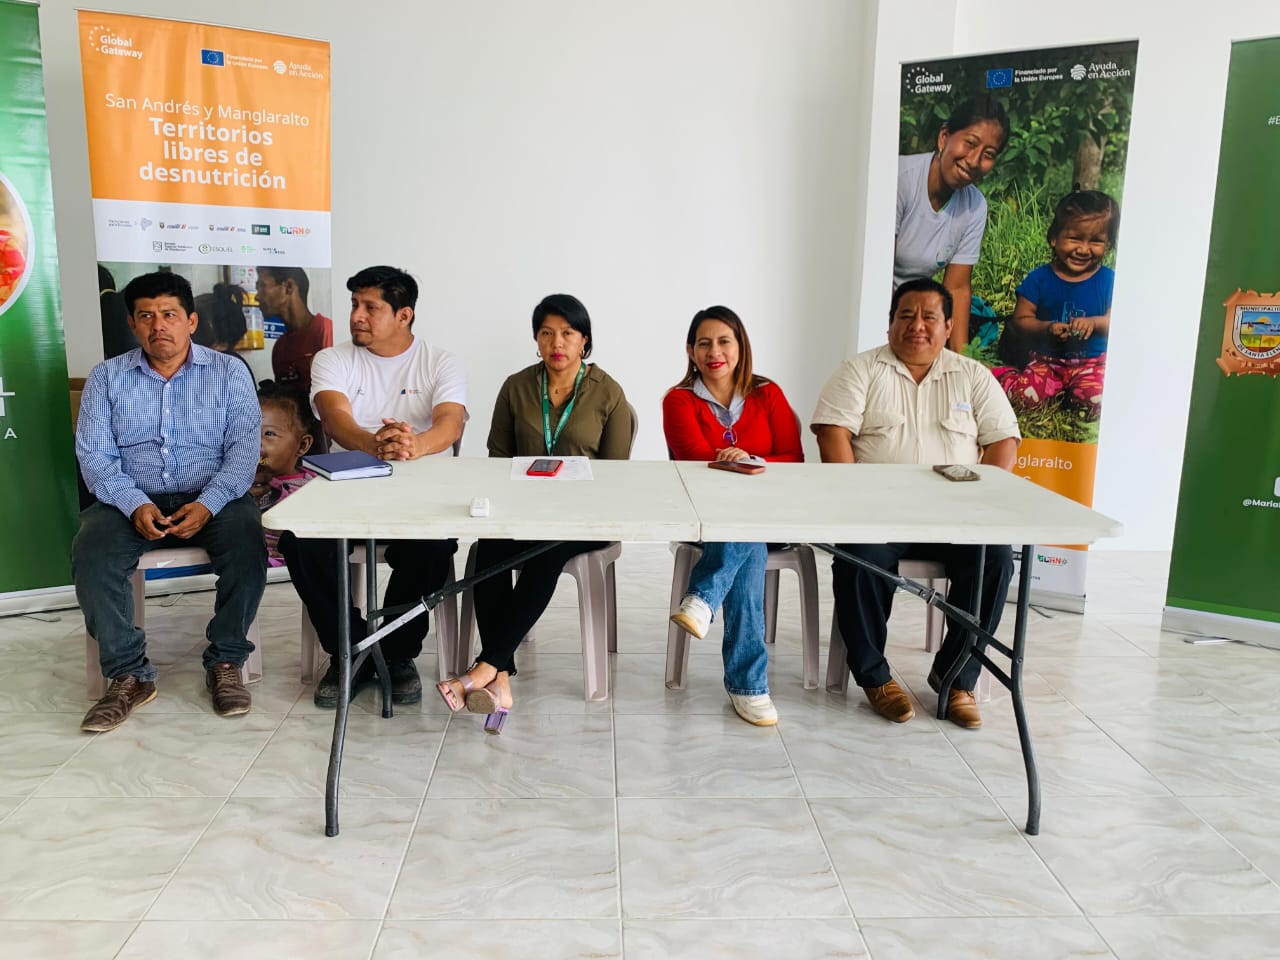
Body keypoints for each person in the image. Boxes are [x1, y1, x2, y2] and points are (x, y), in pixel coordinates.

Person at [811, 277, 1021, 729]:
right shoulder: (859, 370)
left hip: (956, 517)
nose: (917, 325)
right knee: (859, 560)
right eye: (906, 315)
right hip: (878, 516)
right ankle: (875, 678)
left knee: (996, 559)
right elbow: (832, 433)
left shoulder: (973, 376)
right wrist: (854, 504)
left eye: (929, 317)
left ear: (948, 327)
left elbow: (1003, 440)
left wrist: (983, 500)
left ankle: (956, 678)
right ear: (890, 324)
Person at [72, 271, 266, 732]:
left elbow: (243, 453)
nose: (158, 325)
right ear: (132, 324)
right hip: (129, 498)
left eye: (169, 315)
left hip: (214, 497)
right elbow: (94, 457)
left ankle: (225, 661)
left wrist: (209, 503)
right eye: (146, 316)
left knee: (248, 542)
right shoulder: (107, 378)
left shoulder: (230, 374)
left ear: (191, 321)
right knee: (91, 552)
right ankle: (128, 674)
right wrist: (133, 503)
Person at [435, 293, 632, 733]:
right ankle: (499, 679)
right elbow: (498, 460)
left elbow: (616, 477)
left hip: (585, 518)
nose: (556, 343)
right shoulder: (517, 387)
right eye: (546, 333)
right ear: (536, 340)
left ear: (584, 340)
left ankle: (483, 669)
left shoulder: (608, 393)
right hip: (523, 512)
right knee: (488, 551)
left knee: (546, 552)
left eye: (567, 333)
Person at [278, 266, 466, 708]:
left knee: (433, 547)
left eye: (370, 307)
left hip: (420, 494)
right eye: (354, 305)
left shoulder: (441, 361)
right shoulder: (333, 359)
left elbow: (451, 422)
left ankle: (398, 653)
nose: (356, 316)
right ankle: (350, 650)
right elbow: (334, 418)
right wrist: (375, 445)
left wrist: (414, 445)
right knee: (299, 543)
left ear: (404, 315)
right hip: (347, 491)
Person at [663, 306, 803, 726]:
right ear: (690, 351)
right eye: (704, 343)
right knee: (748, 544)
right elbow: (690, 459)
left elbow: (794, 458)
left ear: (741, 347)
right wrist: (740, 462)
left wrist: (749, 459)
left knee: (748, 530)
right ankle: (749, 686)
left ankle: (702, 599)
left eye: (724, 341)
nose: (714, 352)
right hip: (707, 517)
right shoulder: (678, 400)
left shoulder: (768, 394)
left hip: (770, 513)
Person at [895, 95, 1011, 352]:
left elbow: (957, 288)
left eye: (988, 154)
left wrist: (961, 360)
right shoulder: (900, 180)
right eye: (970, 143)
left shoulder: (975, 206)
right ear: (944, 137)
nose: (974, 160)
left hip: (916, 308)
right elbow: (874, 275)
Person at [994, 190, 1119, 420]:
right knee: (1025, 398)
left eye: (1096, 241)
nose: (1084, 249)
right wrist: (1047, 328)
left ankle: (1076, 393)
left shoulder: (1109, 281)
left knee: (1096, 402)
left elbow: (1117, 320)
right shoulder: (1039, 279)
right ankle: (1004, 376)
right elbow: (1020, 321)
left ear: (1108, 245)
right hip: (1046, 361)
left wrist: (1094, 323)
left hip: (1092, 363)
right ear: (1054, 238)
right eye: (1075, 238)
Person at [252, 380, 321, 567]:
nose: (255, 442)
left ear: (302, 445)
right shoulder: (235, 481)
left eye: (269, 434)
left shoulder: (313, 489)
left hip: (291, 573)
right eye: (249, 431)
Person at [257, 266, 333, 392]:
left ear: (288, 287)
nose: (257, 297)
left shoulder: (325, 331)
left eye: (262, 286)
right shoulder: (280, 347)